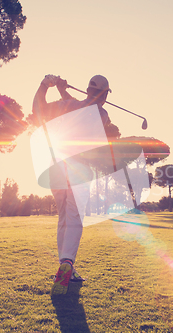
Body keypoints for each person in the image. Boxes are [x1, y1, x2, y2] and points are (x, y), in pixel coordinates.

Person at [32, 74, 112, 295]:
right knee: (74, 216)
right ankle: (67, 262)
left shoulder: (67, 105)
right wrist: (62, 90)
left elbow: (38, 109)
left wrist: (45, 86)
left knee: (64, 218)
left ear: (87, 91)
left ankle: (65, 269)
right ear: (104, 94)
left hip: (55, 164)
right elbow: (85, 107)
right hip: (79, 167)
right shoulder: (102, 114)